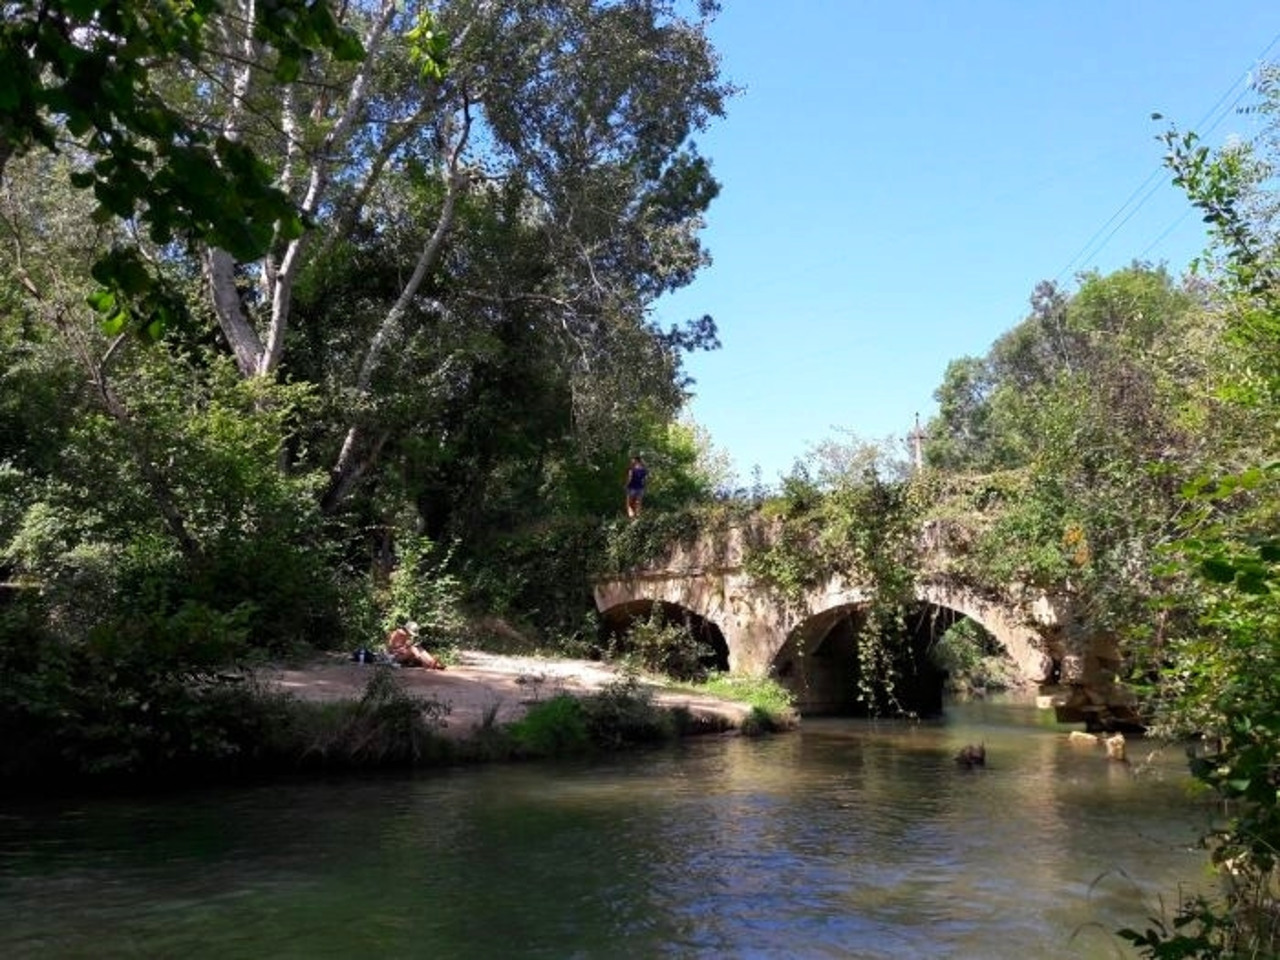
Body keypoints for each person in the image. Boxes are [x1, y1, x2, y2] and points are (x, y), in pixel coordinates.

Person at [624, 454, 648, 518]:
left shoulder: (631, 469)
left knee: (629, 503)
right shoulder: (643, 469)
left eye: (632, 460)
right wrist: (644, 487)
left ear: (636, 460)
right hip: (640, 488)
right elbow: (645, 480)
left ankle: (631, 517)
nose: (631, 461)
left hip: (632, 487)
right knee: (638, 503)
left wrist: (626, 485)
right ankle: (638, 516)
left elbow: (629, 478)